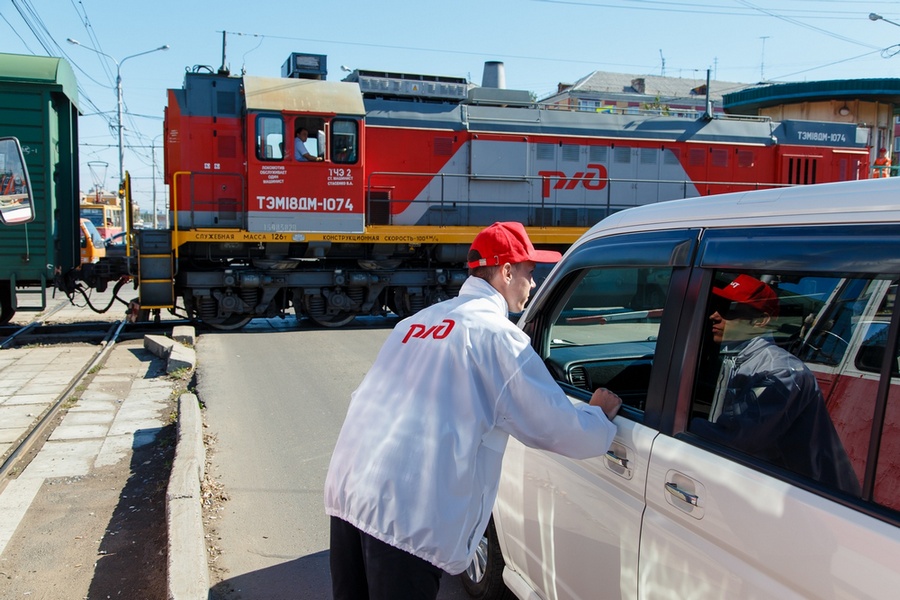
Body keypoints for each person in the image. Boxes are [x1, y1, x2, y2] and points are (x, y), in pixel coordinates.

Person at [324, 221, 622, 599]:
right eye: (530, 273)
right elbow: (555, 427)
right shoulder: (496, 336)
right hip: (405, 518)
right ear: (507, 271)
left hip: (352, 494)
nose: (533, 285)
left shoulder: (415, 323)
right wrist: (597, 416)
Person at [691, 274, 861, 495]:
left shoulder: (779, 371)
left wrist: (677, 422)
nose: (714, 315)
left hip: (811, 497)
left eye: (728, 309)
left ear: (761, 321)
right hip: (776, 487)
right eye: (717, 306)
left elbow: (736, 440)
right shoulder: (740, 358)